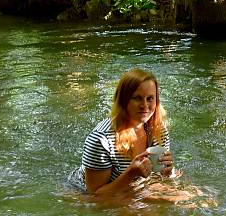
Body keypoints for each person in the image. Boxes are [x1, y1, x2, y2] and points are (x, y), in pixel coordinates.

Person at [70, 68, 174, 196]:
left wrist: (168, 172)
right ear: (123, 101)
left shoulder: (158, 130)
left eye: (150, 98)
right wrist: (130, 174)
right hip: (85, 195)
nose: (145, 105)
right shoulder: (101, 139)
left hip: (134, 189)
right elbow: (95, 197)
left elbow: (157, 179)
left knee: (192, 198)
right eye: (137, 98)